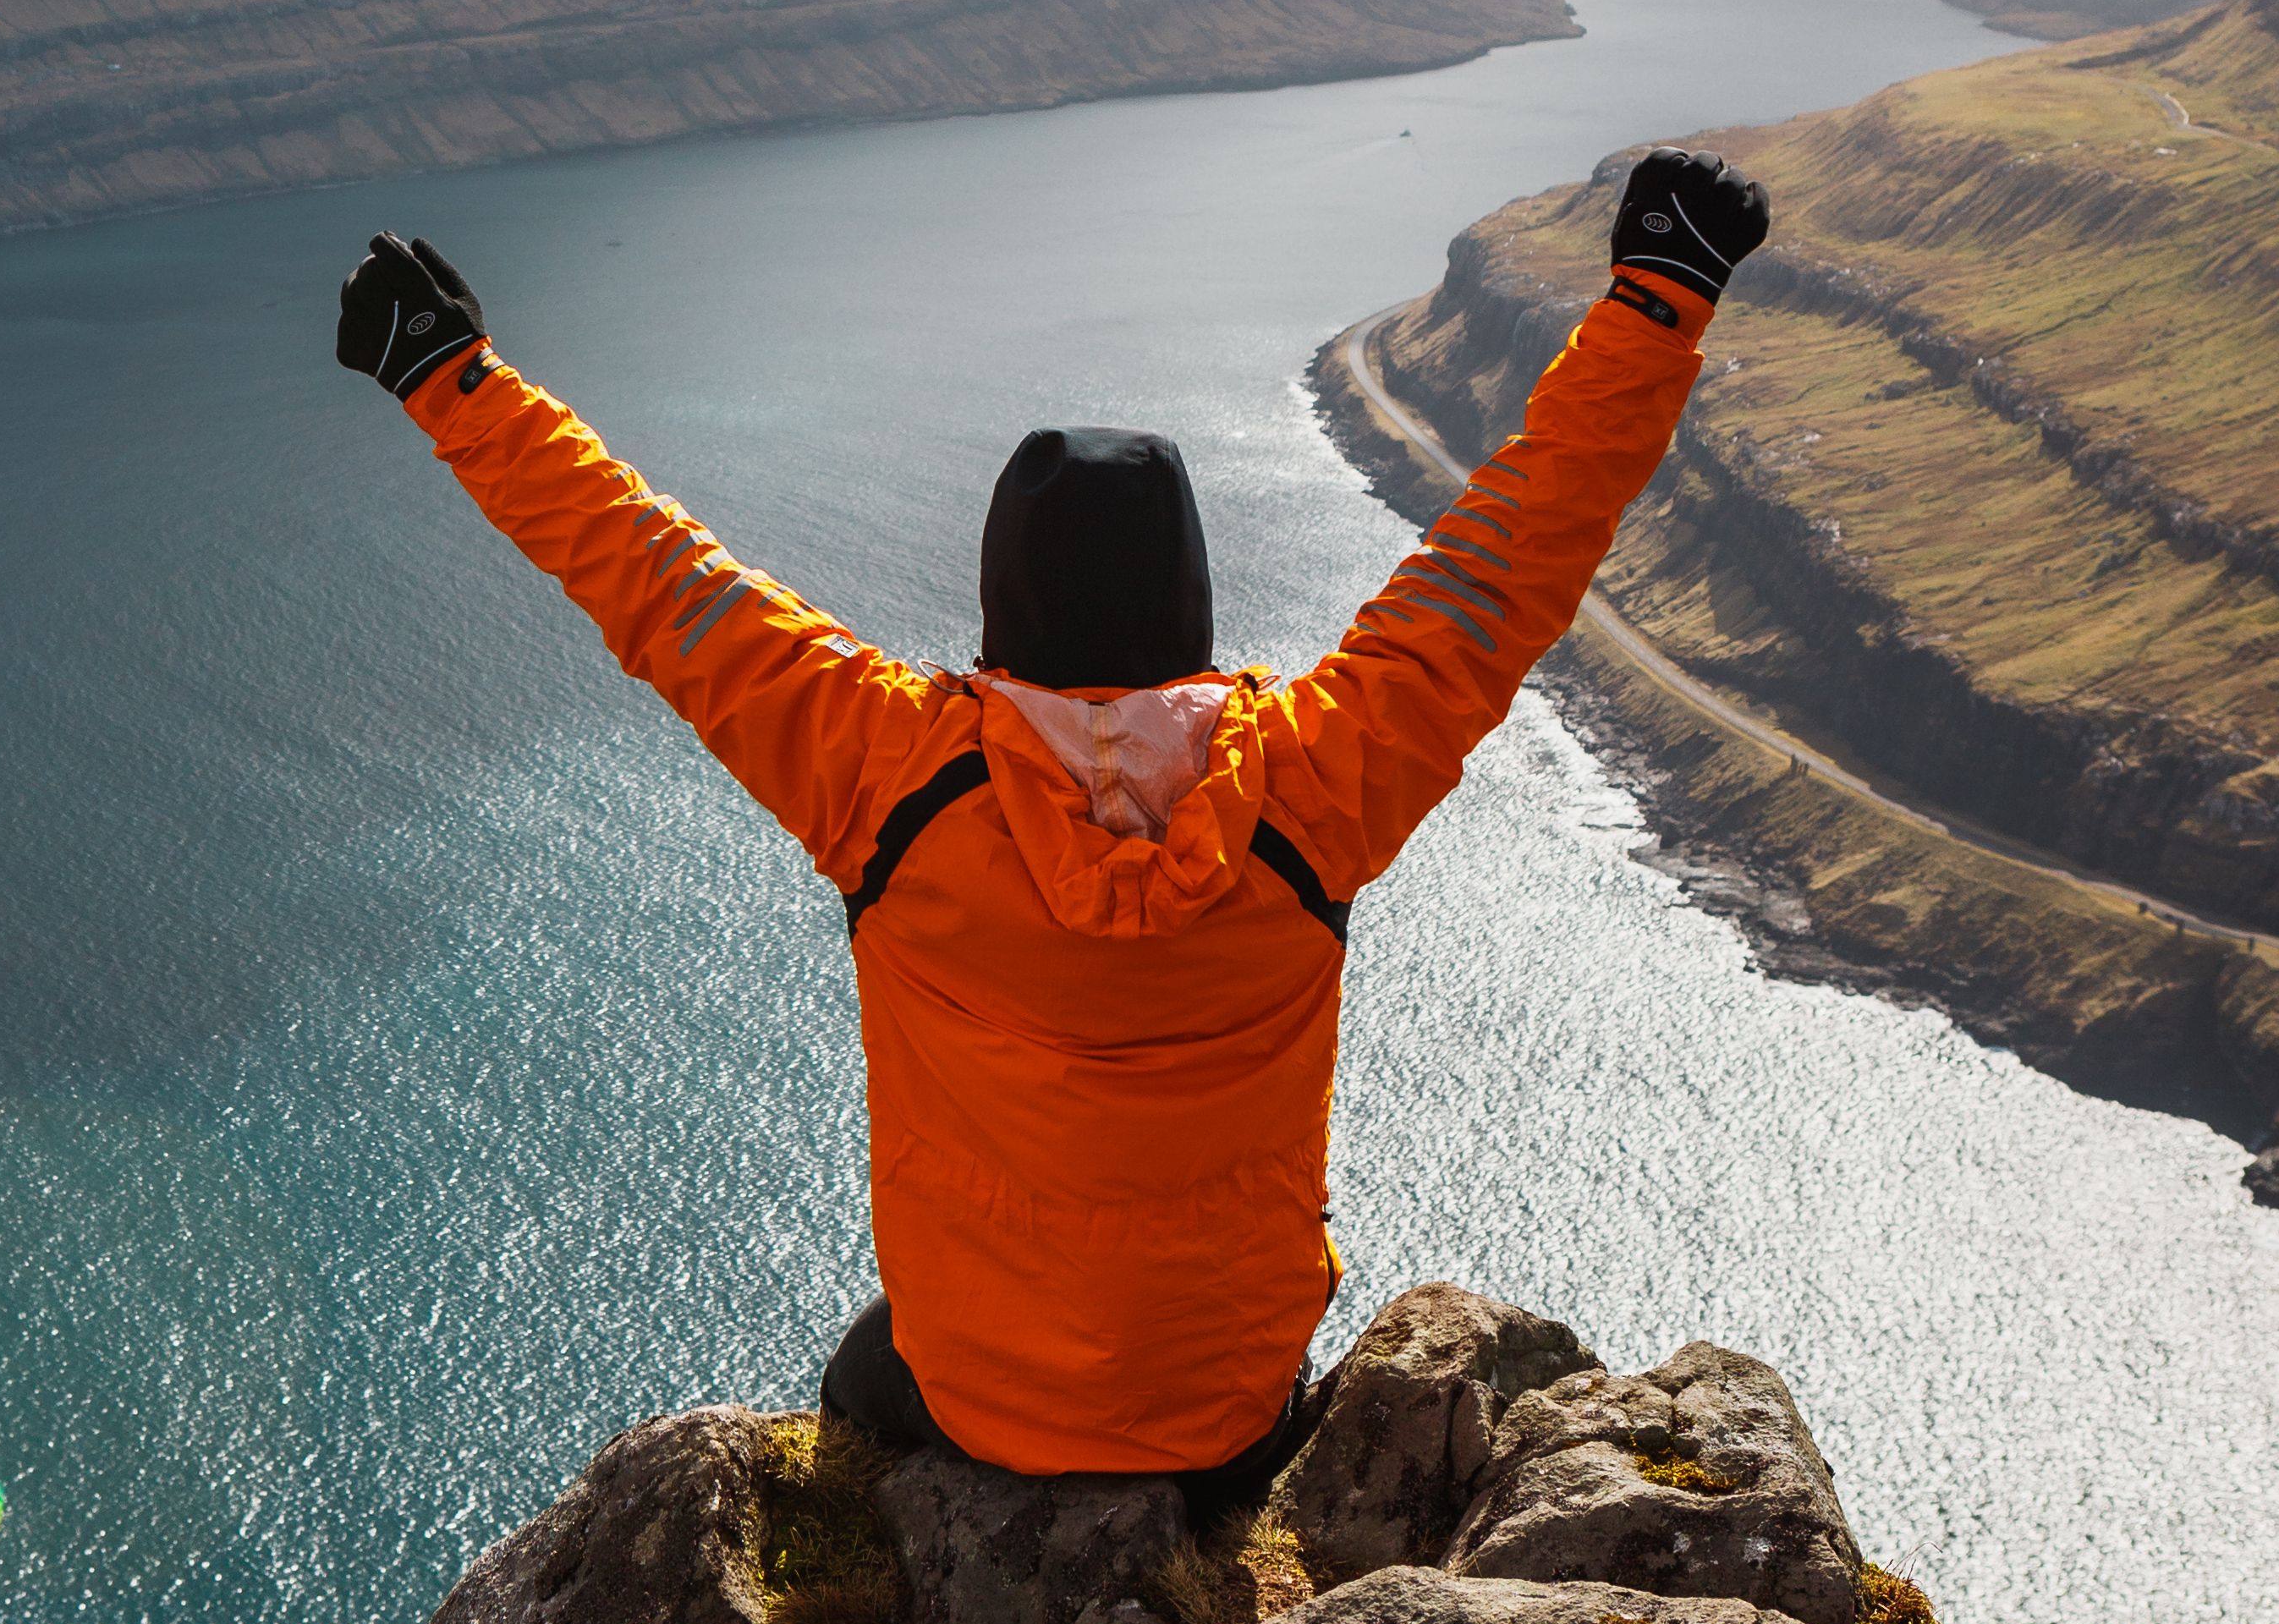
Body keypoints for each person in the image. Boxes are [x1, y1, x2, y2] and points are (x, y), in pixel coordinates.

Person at [332, 144, 1769, 1491]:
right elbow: (1506, 559)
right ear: (1193, 608)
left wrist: (453, 379)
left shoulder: (891, 776)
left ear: (997, 605)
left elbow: (661, 583)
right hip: (1226, 1409)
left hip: (979, 1396)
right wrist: (1654, 302)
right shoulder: (1317, 784)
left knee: (856, 1387)